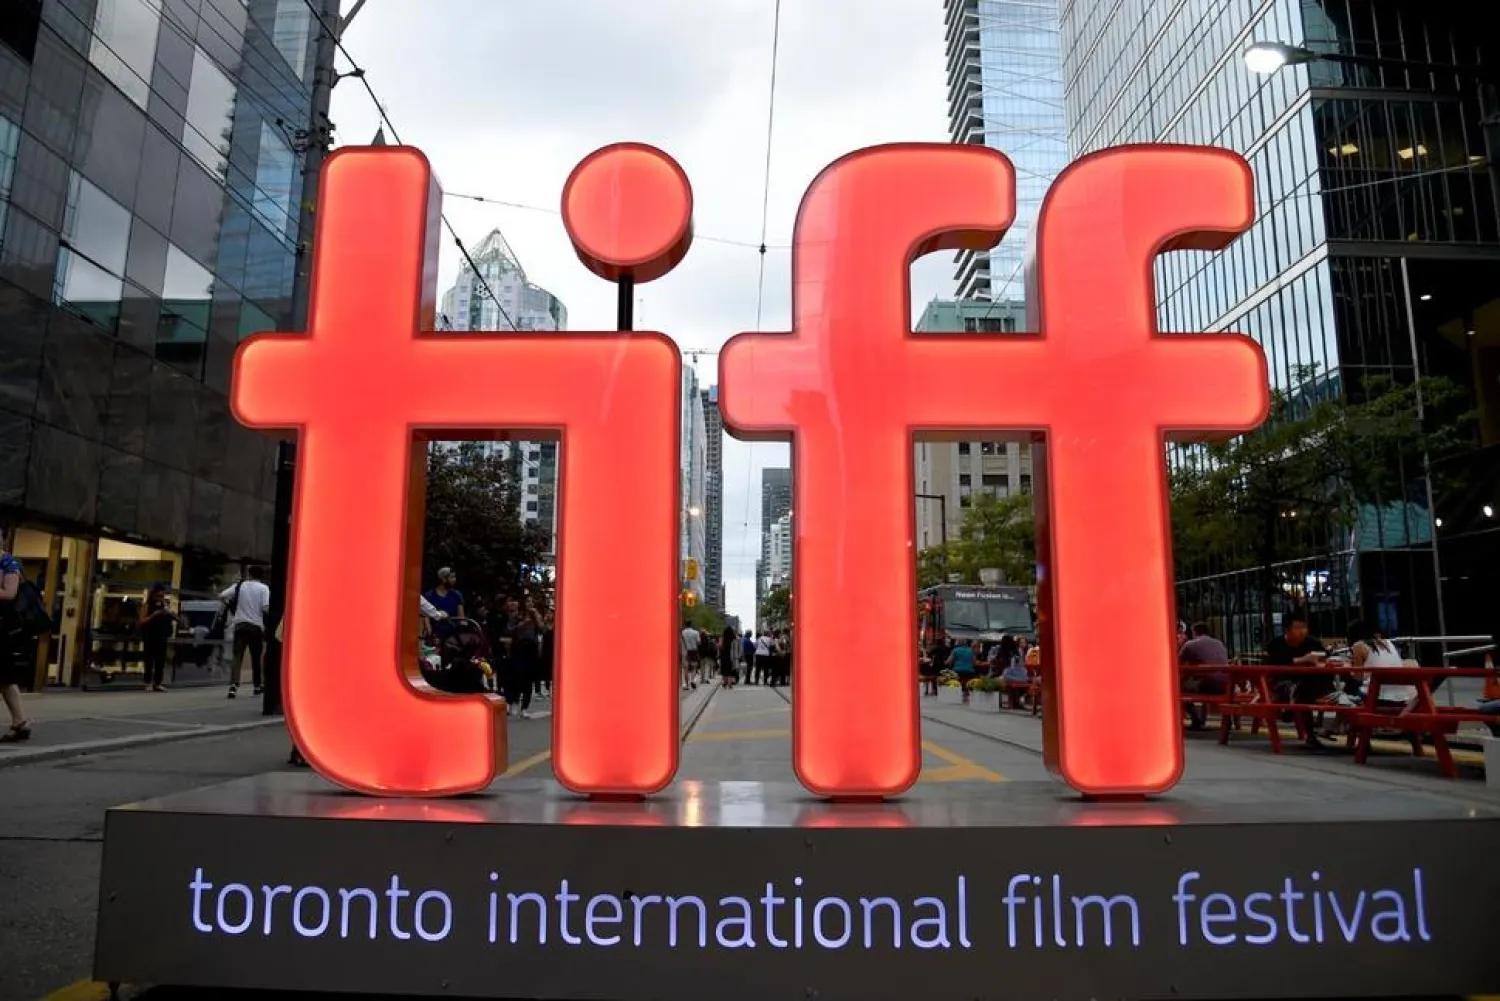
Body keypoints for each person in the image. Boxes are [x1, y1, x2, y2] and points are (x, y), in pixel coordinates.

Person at [1266, 614, 1332, 748]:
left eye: (1304, 627)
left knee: (1311, 685)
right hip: (1284, 681)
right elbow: (1277, 666)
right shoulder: (1276, 644)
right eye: (1297, 627)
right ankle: (1310, 730)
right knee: (1301, 689)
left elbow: (1326, 657)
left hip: (1311, 682)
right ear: (1287, 630)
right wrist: (1304, 659)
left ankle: (1295, 706)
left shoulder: (1313, 643)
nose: (1302, 631)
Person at [220, 566, 271, 699]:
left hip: (240, 625)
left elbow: (222, 595)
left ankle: (233, 686)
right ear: (262, 575)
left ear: (249, 574)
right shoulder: (264, 589)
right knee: (256, 657)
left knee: (237, 656)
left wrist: (233, 607)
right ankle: (257, 686)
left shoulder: (240, 585)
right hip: (256, 626)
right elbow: (266, 608)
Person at [0, 545, 32, 742]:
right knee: (4, 677)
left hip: (0, 625)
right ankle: (21, 722)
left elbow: (9, 593)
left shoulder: (8, 562)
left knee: (4, 676)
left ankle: (21, 722)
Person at [1346, 619, 1413, 710]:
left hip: (1377, 697)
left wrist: (1350, 667)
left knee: (1343, 697)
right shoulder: (1388, 643)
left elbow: (1358, 677)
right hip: (1400, 697)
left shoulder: (1359, 645)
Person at [1179, 622, 1230, 730]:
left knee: (1177, 689)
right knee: (1201, 679)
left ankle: (1195, 719)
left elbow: (1177, 664)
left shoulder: (1190, 644)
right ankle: (1227, 720)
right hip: (1226, 685)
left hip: (1206, 684)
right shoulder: (1219, 643)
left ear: (1195, 632)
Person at [139, 585, 180, 692]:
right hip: (150, 635)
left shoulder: (164, 606)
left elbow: (174, 617)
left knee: (160, 661)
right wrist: (153, 615)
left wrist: (171, 614)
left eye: (162, 596)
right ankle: (147, 682)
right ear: (153, 595)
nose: (160, 598)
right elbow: (141, 621)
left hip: (162, 636)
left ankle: (158, 683)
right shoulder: (147, 606)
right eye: (158, 596)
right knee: (149, 660)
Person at [424, 568, 465, 633]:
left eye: (455, 577)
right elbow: (426, 616)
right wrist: (429, 631)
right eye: (452, 577)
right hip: (436, 634)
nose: (454, 579)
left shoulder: (457, 595)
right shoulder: (430, 595)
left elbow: (462, 618)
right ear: (443, 579)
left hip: (453, 634)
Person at [948, 639, 977, 704]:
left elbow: (949, 661)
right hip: (969, 671)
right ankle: (967, 696)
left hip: (957, 671)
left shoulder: (955, 650)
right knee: (968, 682)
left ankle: (958, 696)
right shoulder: (971, 650)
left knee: (956, 681)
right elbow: (974, 662)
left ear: (958, 643)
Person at [680, 620, 701, 691]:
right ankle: (693, 680)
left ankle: (686, 685)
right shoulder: (696, 632)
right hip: (694, 651)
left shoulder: (682, 632)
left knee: (685, 669)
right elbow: (698, 642)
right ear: (691, 625)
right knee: (694, 667)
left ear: (685, 625)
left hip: (685, 651)